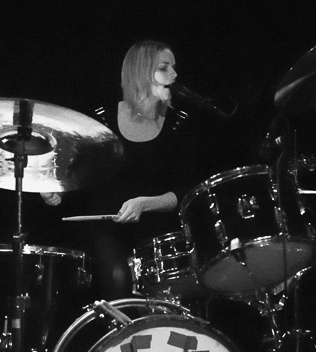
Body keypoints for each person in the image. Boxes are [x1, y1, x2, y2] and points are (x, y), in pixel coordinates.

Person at [43, 39, 205, 299]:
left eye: (173, 67)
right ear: (140, 72)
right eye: (164, 68)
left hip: (157, 225)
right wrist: (58, 193)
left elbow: (186, 189)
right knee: (117, 278)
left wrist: (145, 204)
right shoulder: (102, 118)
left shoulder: (179, 123)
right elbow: (79, 173)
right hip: (104, 225)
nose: (174, 75)